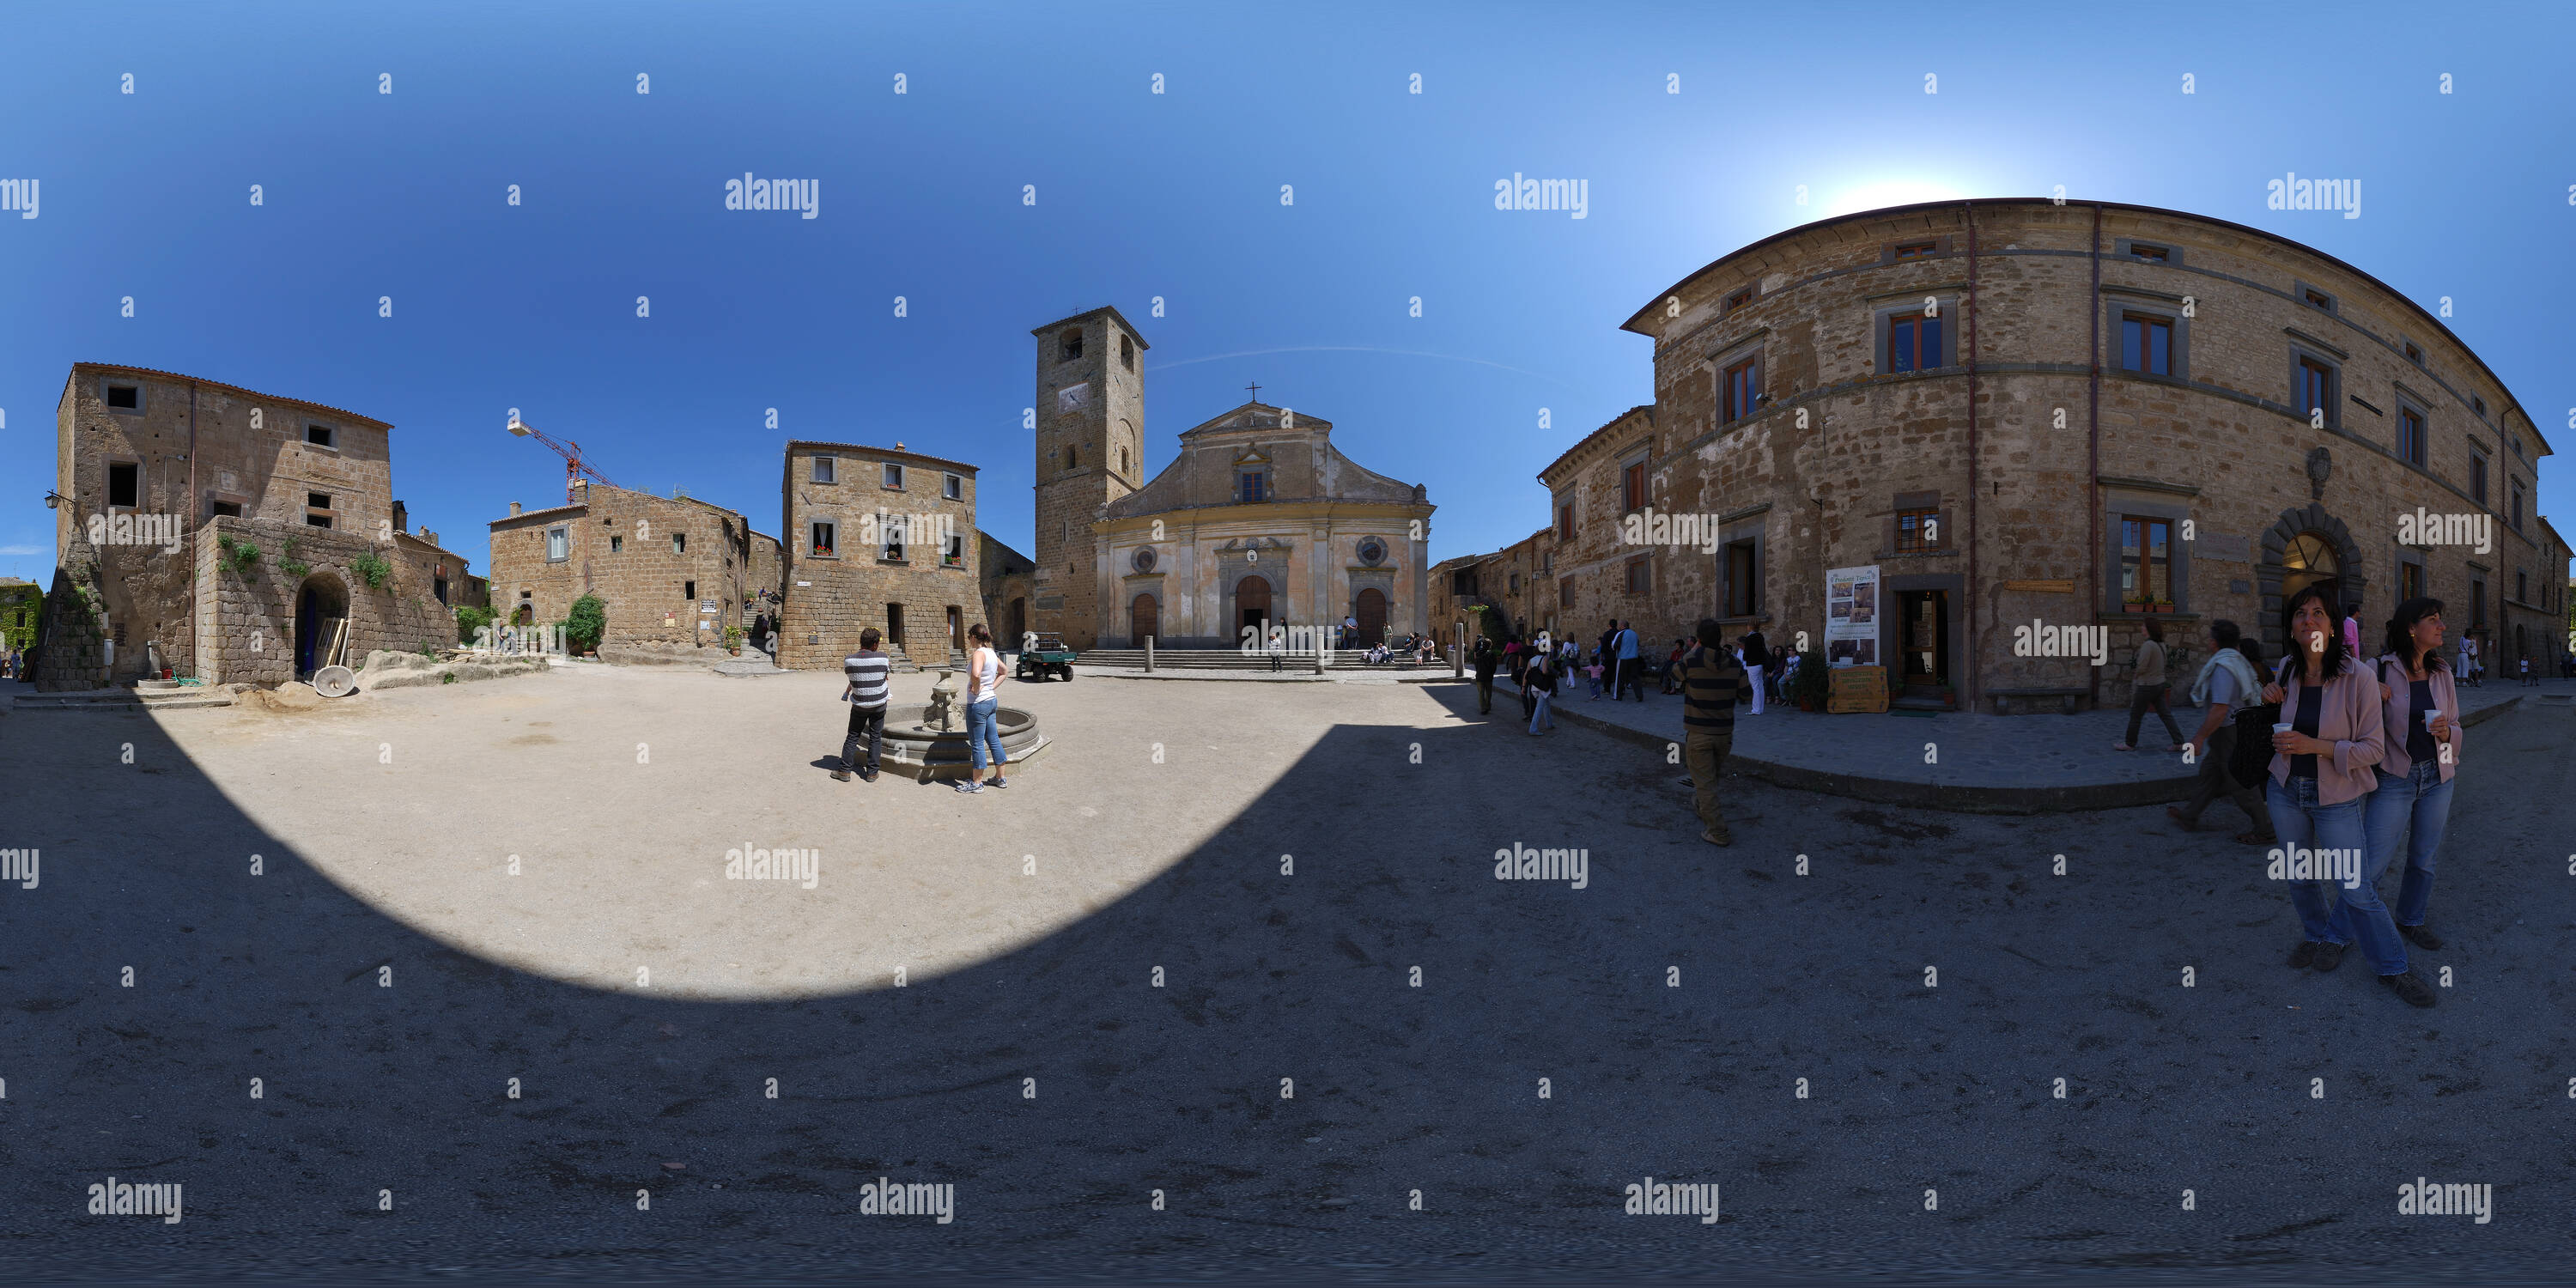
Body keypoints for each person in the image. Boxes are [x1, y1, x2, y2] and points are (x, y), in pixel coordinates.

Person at [2258, 585, 2429, 1006]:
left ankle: (2393, 968)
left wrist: (2314, 746)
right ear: (2293, 627)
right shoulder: (2285, 669)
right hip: (2284, 790)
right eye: (2300, 613)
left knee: (2355, 888)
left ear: (2334, 626)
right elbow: (2276, 731)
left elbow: (2373, 749)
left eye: (2319, 612)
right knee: (2298, 876)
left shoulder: (2361, 677)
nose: (2309, 619)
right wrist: (2267, 697)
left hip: (2335, 797)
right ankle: (2319, 937)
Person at [2364, 597, 2460, 956]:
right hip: (2394, 778)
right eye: (2433, 620)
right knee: (2371, 866)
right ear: (2410, 628)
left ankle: (2411, 919)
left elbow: (2456, 725)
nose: (2442, 626)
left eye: (2440, 619)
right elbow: (2338, 693)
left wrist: (2448, 738)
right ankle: (2339, 932)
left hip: (2438, 778)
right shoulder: (2377, 669)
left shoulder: (2443, 673)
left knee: (2423, 859)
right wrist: (2368, 694)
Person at [2169, 620, 2275, 844]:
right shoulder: (2235, 661)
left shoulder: (2224, 668)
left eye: (2210, 638)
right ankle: (2189, 816)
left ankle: (2266, 829)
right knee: (2209, 775)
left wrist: (2198, 737)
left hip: (2229, 731)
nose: (2208, 641)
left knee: (2240, 781)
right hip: (2226, 732)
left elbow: (2219, 709)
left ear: (2214, 642)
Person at [1679, 617, 1745, 846]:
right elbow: (1747, 696)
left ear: (1699, 639)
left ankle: (1718, 831)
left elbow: (1674, 675)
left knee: (1705, 783)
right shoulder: (1735, 663)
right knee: (1711, 777)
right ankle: (1701, 806)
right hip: (1724, 733)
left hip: (1698, 732)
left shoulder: (1691, 661)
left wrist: (1695, 648)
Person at [2112, 618, 2186, 752]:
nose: (2141, 628)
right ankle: (2179, 742)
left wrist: (2136, 675)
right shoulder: (2161, 645)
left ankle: (2129, 743)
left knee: (2136, 715)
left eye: (2143, 626)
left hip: (2147, 685)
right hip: (2159, 684)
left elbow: (2142, 666)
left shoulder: (2148, 645)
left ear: (2149, 629)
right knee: (2165, 715)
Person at [953, 623, 1009, 793]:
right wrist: (991, 687)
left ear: (975, 637)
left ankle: (977, 783)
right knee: (993, 739)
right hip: (991, 701)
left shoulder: (978, 653)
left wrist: (977, 688)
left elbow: (976, 674)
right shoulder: (991, 652)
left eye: (969, 636)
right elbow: (1005, 671)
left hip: (978, 704)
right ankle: (1001, 778)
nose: (968, 640)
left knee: (977, 743)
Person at [833, 627, 892, 782]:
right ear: (874, 645)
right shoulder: (883, 658)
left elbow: (852, 679)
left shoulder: (849, 660)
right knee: (875, 737)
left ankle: (845, 771)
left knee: (853, 736)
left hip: (859, 704)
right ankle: (872, 773)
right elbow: (886, 674)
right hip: (879, 704)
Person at [1524, 648, 1558, 735]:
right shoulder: (1545, 658)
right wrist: (1551, 672)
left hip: (1534, 686)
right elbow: (1544, 671)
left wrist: (1523, 687)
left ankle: (1549, 723)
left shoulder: (1531, 660)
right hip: (1543, 686)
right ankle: (1533, 728)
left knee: (1546, 704)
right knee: (1539, 707)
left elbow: (1526, 674)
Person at [1613, 620, 1644, 701]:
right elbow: (1637, 644)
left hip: (1623, 658)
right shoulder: (1634, 634)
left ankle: (1618, 696)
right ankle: (1639, 696)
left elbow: (1614, 645)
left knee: (1620, 678)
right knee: (1634, 678)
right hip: (1634, 658)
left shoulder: (1620, 633)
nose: (1619, 626)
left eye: (1620, 625)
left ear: (1623, 625)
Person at [1471, 635, 1498, 714]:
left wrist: (1479, 671)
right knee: (1488, 692)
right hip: (1488, 676)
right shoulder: (1492, 654)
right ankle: (1488, 706)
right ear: (1490, 645)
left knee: (1481, 693)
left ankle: (1483, 708)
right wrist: (1492, 673)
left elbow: (1476, 664)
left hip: (1480, 675)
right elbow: (1494, 666)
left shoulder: (1478, 653)